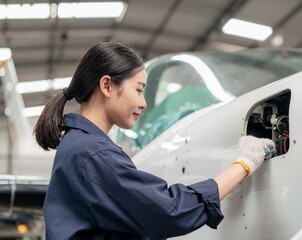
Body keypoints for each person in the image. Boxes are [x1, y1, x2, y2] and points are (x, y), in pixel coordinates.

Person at [34, 42, 275, 240]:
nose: (143, 103)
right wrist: (244, 164)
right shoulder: (92, 153)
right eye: (139, 90)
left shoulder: (81, 145)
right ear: (107, 85)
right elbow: (170, 211)